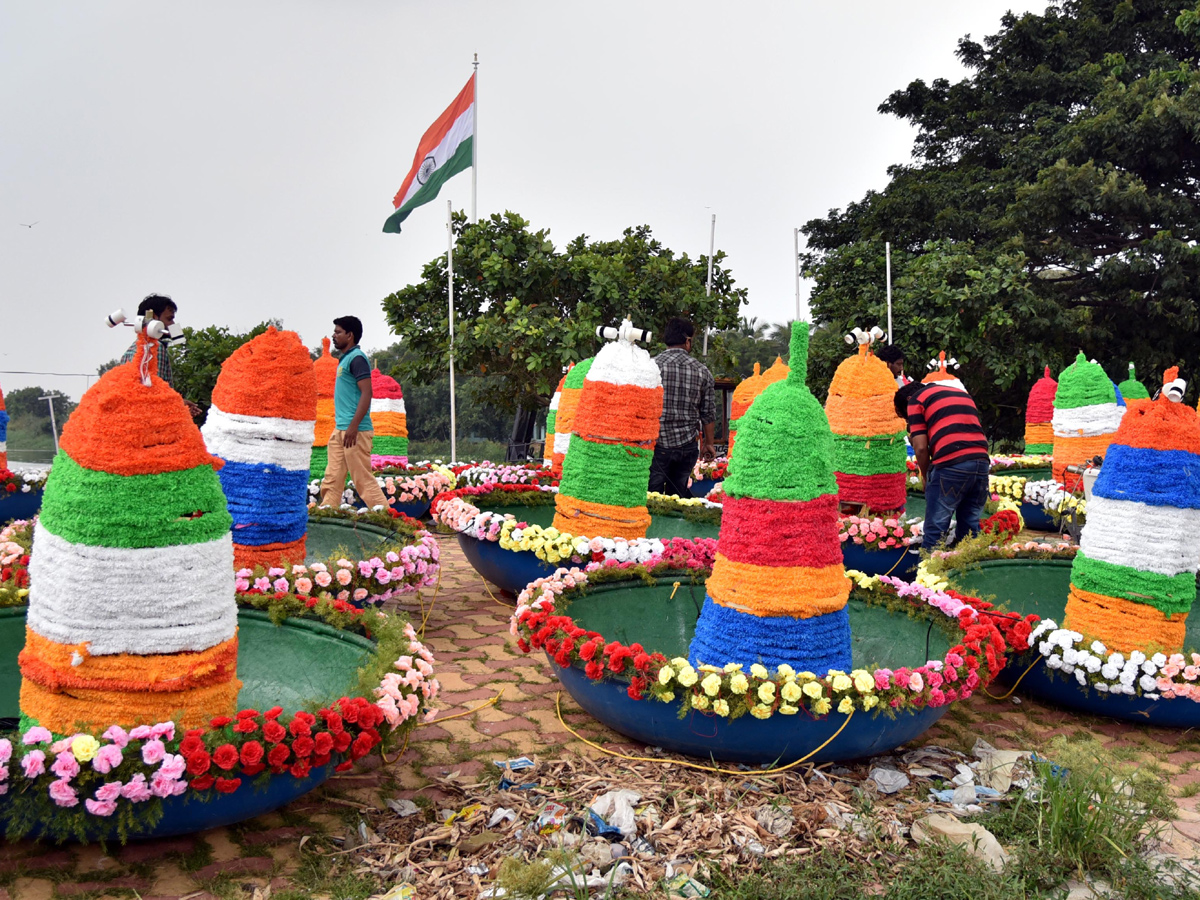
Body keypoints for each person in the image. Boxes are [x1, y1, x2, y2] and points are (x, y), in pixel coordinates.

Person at [894, 380, 990, 552]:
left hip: (951, 464)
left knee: (935, 529)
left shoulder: (916, 400)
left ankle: (928, 573)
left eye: (906, 417)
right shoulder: (961, 394)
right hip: (981, 462)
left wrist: (926, 477)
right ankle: (966, 570)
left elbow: (921, 447)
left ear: (908, 399)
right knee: (970, 528)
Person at [317, 316, 389, 510]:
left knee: (362, 479)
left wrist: (353, 427)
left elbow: (367, 393)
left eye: (338, 332)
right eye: (334, 331)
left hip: (354, 431)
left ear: (350, 335)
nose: (334, 335)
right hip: (341, 428)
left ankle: (387, 519)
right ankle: (328, 513)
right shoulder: (345, 359)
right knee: (332, 477)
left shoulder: (357, 359)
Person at [650, 317, 716, 498]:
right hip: (686, 446)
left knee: (649, 496)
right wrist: (708, 444)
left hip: (655, 444)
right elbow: (708, 414)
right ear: (687, 341)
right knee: (678, 497)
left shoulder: (650, 367)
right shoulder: (702, 371)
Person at [119, 294, 202, 416]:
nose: (173, 324)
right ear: (153, 318)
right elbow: (154, 394)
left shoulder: (134, 349)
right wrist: (176, 405)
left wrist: (179, 404)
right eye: (169, 319)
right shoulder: (155, 349)